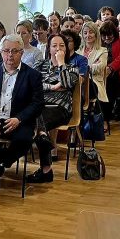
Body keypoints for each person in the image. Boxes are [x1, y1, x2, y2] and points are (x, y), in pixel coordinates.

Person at [0, 36, 44, 193]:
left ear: (21, 53)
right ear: (1, 52)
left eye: (14, 51)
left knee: (24, 139)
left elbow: (37, 104)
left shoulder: (33, 75)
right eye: (6, 51)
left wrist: (19, 119)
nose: (10, 55)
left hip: (17, 120)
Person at [29, 34, 79, 184]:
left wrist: (61, 63)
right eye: (54, 45)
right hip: (40, 106)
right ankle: (46, 168)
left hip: (60, 108)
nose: (58, 48)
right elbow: (32, 85)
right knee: (37, 120)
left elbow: (67, 84)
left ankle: (46, 170)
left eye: (62, 45)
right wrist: (52, 86)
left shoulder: (72, 68)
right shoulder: (39, 65)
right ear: (49, 48)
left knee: (36, 118)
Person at [100, 18, 120, 118]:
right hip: (101, 71)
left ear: (114, 33)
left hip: (117, 73)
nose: (106, 38)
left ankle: (105, 118)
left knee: (108, 85)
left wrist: (111, 68)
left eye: (109, 35)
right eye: (104, 35)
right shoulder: (100, 42)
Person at [80, 20, 107, 111]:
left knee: (88, 87)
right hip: (79, 81)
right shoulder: (78, 51)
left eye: (91, 32)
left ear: (96, 34)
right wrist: (91, 65)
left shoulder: (102, 50)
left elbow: (100, 67)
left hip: (95, 81)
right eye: (85, 33)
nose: (88, 35)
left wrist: (82, 68)